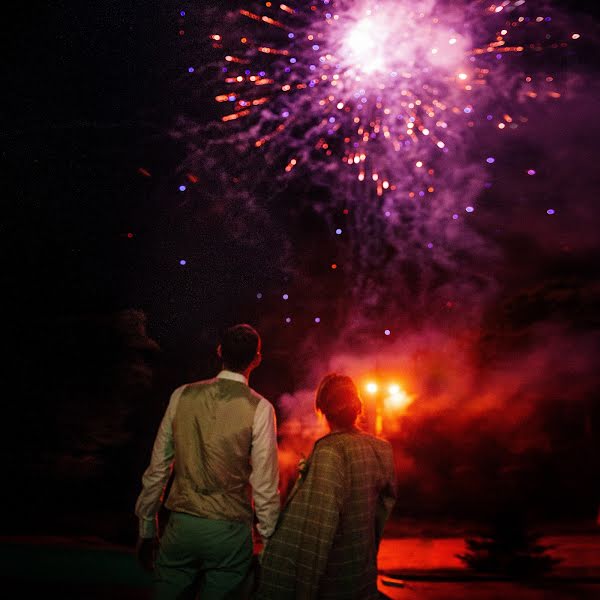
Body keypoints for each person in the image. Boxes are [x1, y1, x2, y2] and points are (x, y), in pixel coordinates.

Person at [134, 323, 280, 599]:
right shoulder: (261, 408)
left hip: (181, 525)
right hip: (229, 531)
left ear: (219, 351)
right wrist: (269, 538)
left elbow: (158, 467)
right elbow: (265, 484)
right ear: (257, 360)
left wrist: (146, 526)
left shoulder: (182, 395)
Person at [256, 373, 397, 600]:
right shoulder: (381, 449)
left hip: (334, 579)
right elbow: (382, 511)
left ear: (321, 409)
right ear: (358, 408)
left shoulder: (329, 451)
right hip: (362, 572)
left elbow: (317, 528)